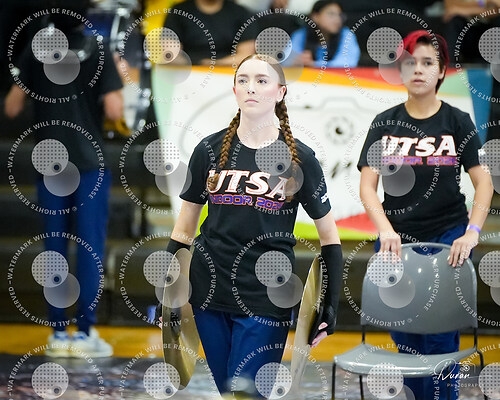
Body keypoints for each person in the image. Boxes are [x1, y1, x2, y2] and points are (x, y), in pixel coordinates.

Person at [161, 54, 343, 395]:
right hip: (207, 290)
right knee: (226, 391)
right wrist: (168, 294)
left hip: (268, 295)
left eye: (262, 80)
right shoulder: (208, 150)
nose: (251, 88)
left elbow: (330, 238)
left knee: (249, 392)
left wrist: (330, 304)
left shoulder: (300, 159)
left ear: (280, 92)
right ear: (234, 90)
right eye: (243, 80)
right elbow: (183, 231)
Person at [357, 30, 493, 399]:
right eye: (410, 62)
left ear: (442, 71)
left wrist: (472, 232)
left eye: (428, 62)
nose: (418, 69)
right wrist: (385, 230)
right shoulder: (385, 123)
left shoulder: (457, 121)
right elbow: (367, 187)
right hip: (396, 243)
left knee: (441, 337)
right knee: (407, 341)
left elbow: (483, 182)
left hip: (447, 240)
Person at [4, 2, 123, 357]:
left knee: (54, 248)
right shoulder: (97, 49)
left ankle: (57, 332)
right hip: (88, 163)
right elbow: (115, 109)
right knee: (89, 247)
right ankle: (85, 333)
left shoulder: (38, 48)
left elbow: (12, 106)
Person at [163, 0, 257, 66]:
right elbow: (170, 53)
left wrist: (213, 64)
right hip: (189, 73)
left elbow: (245, 56)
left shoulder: (241, 13)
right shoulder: (178, 12)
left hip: (228, 74)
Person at [288, 0, 360, 68]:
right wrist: (296, 61)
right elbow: (286, 60)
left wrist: (313, 64)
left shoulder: (346, 34)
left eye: (340, 15)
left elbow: (347, 63)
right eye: (331, 14)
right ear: (315, 17)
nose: (337, 19)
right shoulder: (300, 34)